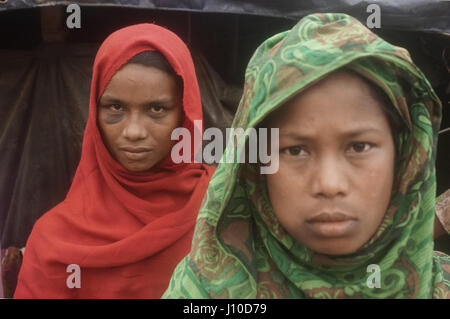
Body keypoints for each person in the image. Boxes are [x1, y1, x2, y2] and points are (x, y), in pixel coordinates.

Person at [163, 13, 450, 298]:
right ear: (254, 164)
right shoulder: (203, 293)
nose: (329, 184)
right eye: (295, 150)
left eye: (359, 147)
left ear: (404, 157)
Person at [14, 24, 215, 298]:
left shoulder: (223, 206)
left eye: (156, 109)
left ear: (185, 114)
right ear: (95, 112)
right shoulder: (54, 241)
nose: (133, 132)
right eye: (115, 108)